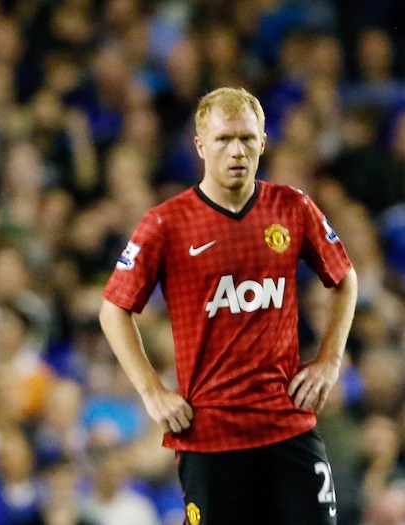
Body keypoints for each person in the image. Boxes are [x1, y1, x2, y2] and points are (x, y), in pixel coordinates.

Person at [99, 87, 358, 525]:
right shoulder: (166, 223)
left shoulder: (292, 207)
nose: (237, 151)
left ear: (263, 142)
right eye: (223, 139)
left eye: (247, 138)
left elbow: (344, 278)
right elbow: (113, 310)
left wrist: (330, 360)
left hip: (287, 424)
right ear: (200, 146)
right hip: (210, 434)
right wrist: (152, 392)